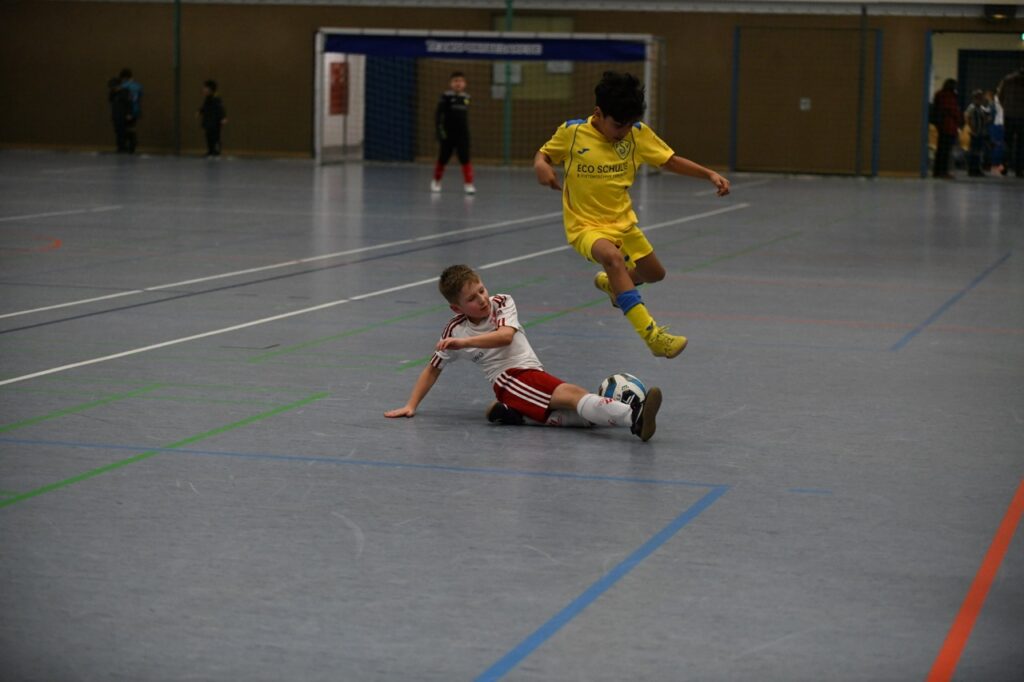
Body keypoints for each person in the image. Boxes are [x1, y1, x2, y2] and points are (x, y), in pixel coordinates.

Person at [533, 71, 730, 359]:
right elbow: (544, 155)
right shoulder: (572, 133)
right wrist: (541, 165)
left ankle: (612, 284)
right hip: (585, 226)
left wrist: (709, 174)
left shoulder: (636, 133)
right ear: (598, 113)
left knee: (655, 273)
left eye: (629, 124)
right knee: (612, 258)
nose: (624, 131)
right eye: (618, 125)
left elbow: (670, 161)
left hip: (624, 224)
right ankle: (654, 336)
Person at [384, 264, 663, 442]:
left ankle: (521, 416)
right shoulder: (455, 330)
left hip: (531, 372)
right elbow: (432, 368)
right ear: (457, 308)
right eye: (472, 298)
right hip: (509, 380)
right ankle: (634, 418)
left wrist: (464, 344)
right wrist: (411, 405)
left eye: (481, 290)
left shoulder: (502, 302)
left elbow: (505, 336)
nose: (482, 299)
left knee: (571, 403)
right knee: (573, 394)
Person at [431, 71, 475, 194]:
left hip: (462, 135)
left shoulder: (467, 98)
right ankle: (436, 181)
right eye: (455, 81)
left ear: (465, 84)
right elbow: (438, 115)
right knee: (443, 158)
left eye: (460, 81)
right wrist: (439, 130)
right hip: (448, 134)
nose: (458, 84)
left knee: (465, 159)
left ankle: (469, 184)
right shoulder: (445, 97)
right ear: (451, 83)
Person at [931, 78, 962, 179]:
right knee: (945, 151)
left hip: (941, 126)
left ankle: (937, 171)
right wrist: (959, 119)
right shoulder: (950, 96)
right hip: (949, 126)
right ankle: (943, 172)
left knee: (940, 150)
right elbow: (953, 110)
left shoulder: (939, 94)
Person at [996, 66, 1024, 177]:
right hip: (1022, 116)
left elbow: (1000, 96)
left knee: (1007, 143)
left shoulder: (1007, 80)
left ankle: (1004, 167)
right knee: (1021, 144)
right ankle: (1019, 169)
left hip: (1009, 116)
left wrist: (1006, 107)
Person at [197, 80, 228, 157]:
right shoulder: (207, 98)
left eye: (205, 88)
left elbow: (221, 108)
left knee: (215, 137)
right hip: (208, 121)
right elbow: (205, 107)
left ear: (210, 89)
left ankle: (216, 152)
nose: (203, 90)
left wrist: (223, 117)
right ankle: (210, 151)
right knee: (208, 136)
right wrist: (200, 111)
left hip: (215, 122)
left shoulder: (216, 98)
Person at [964, 89, 991, 177]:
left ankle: (977, 169)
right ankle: (972, 169)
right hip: (975, 133)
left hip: (980, 132)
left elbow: (986, 117)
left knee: (978, 152)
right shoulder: (972, 108)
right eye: (979, 97)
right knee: (974, 152)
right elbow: (967, 118)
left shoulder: (981, 108)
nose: (981, 99)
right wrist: (972, 128)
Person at [118, 68, 143, 153]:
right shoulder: (139, 86)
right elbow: (139, 98)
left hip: (126, 110)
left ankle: (130, 145)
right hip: (136, 109)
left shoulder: (123, 86)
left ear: (124, 77)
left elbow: (124, 100)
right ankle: (132, 144)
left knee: (125, 129)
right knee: (132, 127)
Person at [107, 77, 133, 153]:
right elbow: (111, 102)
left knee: (123, 131)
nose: (113, 89)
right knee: (118, 131)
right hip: (116, 114)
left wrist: (129, 113)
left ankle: (124, 147)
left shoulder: (125, 92)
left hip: (123, 114)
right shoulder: (113, 93)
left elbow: (129, 103)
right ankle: (120, 147)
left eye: (114, 87)